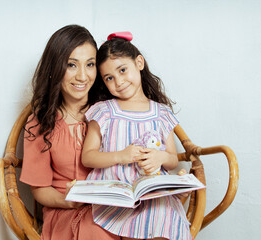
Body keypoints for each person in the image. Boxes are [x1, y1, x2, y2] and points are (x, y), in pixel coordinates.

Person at [82, 32, 192, 240]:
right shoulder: (104, 111)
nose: (119, 81)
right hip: (116, 197)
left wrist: (160, 158)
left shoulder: (161, 113)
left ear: (139, 62)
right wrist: (120, 156)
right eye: (109, 78)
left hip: (152, 194)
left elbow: (172, 160)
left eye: (123, 70)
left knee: (163, 219)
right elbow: (88, 157)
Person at [19, 25, 120, 240]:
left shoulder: (111, 110)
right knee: (96, 230)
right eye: (71, 65)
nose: (82, 76)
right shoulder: (41, 122)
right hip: (67, 211)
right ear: (55, 68)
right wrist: (69, 200)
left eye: (90, 64)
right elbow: (39, 189)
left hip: (115, 208)